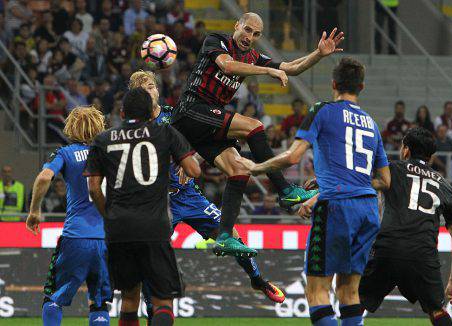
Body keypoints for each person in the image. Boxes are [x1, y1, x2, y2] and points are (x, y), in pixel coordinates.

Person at [172, 12, 343, 256]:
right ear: (237, 26)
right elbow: (226, 65)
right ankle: (285, 191)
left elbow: (292, 68)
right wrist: (267, 72)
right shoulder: (217, 40)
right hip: (191, 109)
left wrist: (318, 54)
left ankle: (223, 236)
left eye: (256, 34)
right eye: (247, 30)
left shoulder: (253, 57)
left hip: (207, 123)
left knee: (239, 168)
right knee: (254, 125)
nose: (249, 36)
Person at [238, 57, 391, 326]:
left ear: (333, 83)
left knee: (318, 291)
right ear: (362, 87)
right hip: (368, 210)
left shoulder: (322, 110)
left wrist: (257, 166)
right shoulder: (371, 123)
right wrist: (343, 185)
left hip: (336, 209)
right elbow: (384, 180)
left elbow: (293, 156)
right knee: (349, 291)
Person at [128, 71, 286, 315]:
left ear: (158, 90)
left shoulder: (176, 116)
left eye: (152, 86)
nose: (150, 91)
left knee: (230, 234)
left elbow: (203, 141)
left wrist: (193, 158)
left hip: (189, 196)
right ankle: (152, 311)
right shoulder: (133, 129)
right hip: (157, 203)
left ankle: (257, 279)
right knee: (151, 259)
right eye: (143, 89)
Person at [85, 88, 200, 326]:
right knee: (163, 302)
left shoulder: (103, 139)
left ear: (122, 111)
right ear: (151, 113)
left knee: (128, 299)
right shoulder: (164, 132)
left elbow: (94, 188)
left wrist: (108, 214)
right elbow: (193, 170)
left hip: (118, 228)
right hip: (153, 226)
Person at [359, 127, 452, 326]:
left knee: (355, 302)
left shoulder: (391, 170)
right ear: (431, 156)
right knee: (437, 311)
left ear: (405, 150)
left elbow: (359, 182)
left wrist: (325, 185)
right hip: (422, 254)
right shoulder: (444, 185)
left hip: (387, 248)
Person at [26, 106, 111, 326]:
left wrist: (35, 210)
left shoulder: (65, 153)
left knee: (53, 298)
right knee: (99, 303)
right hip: (108, 238)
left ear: (71, 127)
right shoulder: (111, 152)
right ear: (99, 126)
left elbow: (45, 178)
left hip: (76, 236)